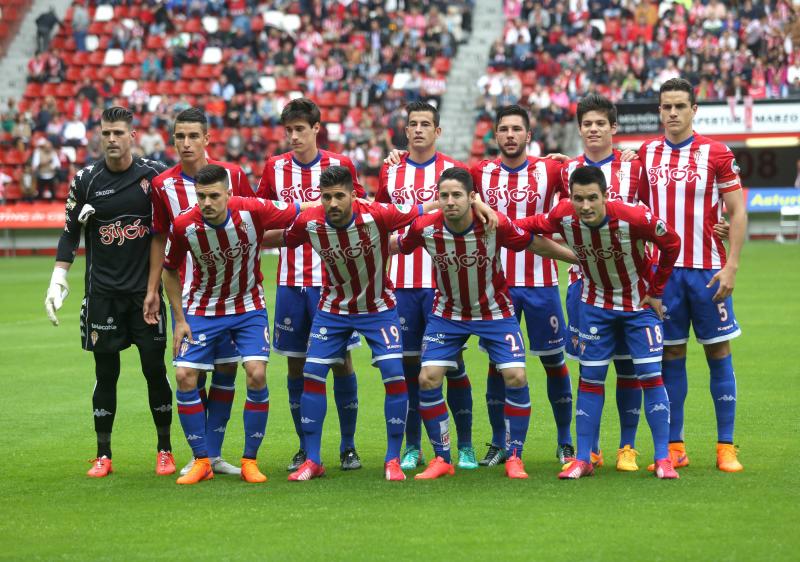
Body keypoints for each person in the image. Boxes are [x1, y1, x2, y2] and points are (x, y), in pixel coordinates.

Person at [262, 166, 487, 482]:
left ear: (353, 195)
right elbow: (283, 237)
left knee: (395, 377)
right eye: (327, 197)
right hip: (333, 309)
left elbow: (421, 210)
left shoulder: (378, 215)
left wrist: (475, 204)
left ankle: (392, 459)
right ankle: (313, 459)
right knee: (312, 375)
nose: (333, 203)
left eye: (340, 196)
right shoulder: (309, 220)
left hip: (379, 308)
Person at [392, 167, 578, 480]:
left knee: (516, 376)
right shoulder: (425, 228)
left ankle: (514, 456)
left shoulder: (493, 224)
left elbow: (534, 243)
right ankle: (442, 458)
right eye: (444, 195)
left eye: (457, 195)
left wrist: (576, 258)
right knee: (427, 378)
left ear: (472, 198)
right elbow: (395, 246)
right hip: (447, 313)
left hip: (495, 312)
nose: (450, 201)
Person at [515, 165, 682, 480]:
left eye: (592, 198)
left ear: (606, 196)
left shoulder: (634, 217)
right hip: (595, 307)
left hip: (639, 307)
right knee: (590, 380)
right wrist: (493, 219)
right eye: (579, 198)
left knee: (650, 376)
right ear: (571, 198)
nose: (585, 206)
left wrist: (657, 291)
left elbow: (672, 242)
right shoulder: (564, 214)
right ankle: (583, 459)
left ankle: (663, 458)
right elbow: (528, 226)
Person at [45, 106, 174, 478]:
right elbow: (69, 231)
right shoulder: (85, 181)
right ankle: (103, 454)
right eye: (106, 134)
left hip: (144, 296)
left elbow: (171, 229)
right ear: (99, 136)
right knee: (105, 374)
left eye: (119, 133)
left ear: (133, 136)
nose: (112, 140)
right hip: (102, 295)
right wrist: (58, 276)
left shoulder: (154, 177)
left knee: (154, 369)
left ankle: (164, 449)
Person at [162, 164, 305, 485]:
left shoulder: (253, 211)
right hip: (202, 309)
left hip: (248, 307)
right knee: (184, 376)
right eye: (201, 196)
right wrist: (180, 319)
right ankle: (202, 461)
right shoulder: (185, 225)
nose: (207, 202)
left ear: (229, 194)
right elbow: (168, 270)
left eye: (214, 196)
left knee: (256, 373)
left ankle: (250, 461)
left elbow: (300, 208)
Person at [637, 78, 746, 472]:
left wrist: (731, 264)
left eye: (680, 106)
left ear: (694, 109)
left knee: (718, 352)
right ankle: (675, 446)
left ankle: (725, 446)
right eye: (666, 107)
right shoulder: (646, 154)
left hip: (707, 272)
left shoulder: (716, 153)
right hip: (662, 275)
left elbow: (737, 212)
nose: (672, 113)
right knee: (671, 355)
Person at [255, 98, 365, 472]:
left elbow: (361, 215)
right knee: (296, 368)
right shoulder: (274, 169)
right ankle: (305, 447)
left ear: (317, 128)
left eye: (300, 129)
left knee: (341, 363)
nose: (294, 136)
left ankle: (348, 446)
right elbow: (261, 218)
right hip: (290, 283)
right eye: (289, 130)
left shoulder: (341, 166)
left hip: (335, 285)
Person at [145, 107, 254, 477]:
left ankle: (214, 455)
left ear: (208, 139)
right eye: (180, 136)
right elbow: (160, 238)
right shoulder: (163, 186)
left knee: (225, 372)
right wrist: (152, 289)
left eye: (194, 136)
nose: (186, 143)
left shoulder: (234, 176)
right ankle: (201, 453)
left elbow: (254, 220)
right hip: (189, 298)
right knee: (190, 373)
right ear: (172, 139)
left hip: (233, 296)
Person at [471, 105, 576, 465]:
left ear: (528, 136)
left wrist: (578, 158)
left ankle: (565, 441)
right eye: (504, 129)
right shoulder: (480, 173)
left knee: (553, 362)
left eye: (517, 129)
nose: (510, 135)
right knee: (497, 366)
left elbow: (594, 174)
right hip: (496, 289)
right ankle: (499, 443)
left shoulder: (551, 169)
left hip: (541, 285)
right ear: (495, 135)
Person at [376, 101, 476, 471]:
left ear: (438, 131)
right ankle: (414, 446)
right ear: (406, 131)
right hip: (401, 285)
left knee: (453, 364)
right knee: (409, 367)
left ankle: (463, 445)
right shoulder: (391, 172)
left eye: (426, 124)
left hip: (441, 284)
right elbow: (382, 224)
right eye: (413, 124)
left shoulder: (454, 172)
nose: (418, 130)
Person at [560, 94, 646, 471]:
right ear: (579, 129)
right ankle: (589, 448)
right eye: (587, 124)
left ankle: (627, 447)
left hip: (629, 286)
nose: (593, 130)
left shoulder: (634, 168)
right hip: (583, 285)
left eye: (600, 124)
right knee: (588, 369)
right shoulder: (563, 171)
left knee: (628, 368)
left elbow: (651, 217)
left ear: (613, 128)